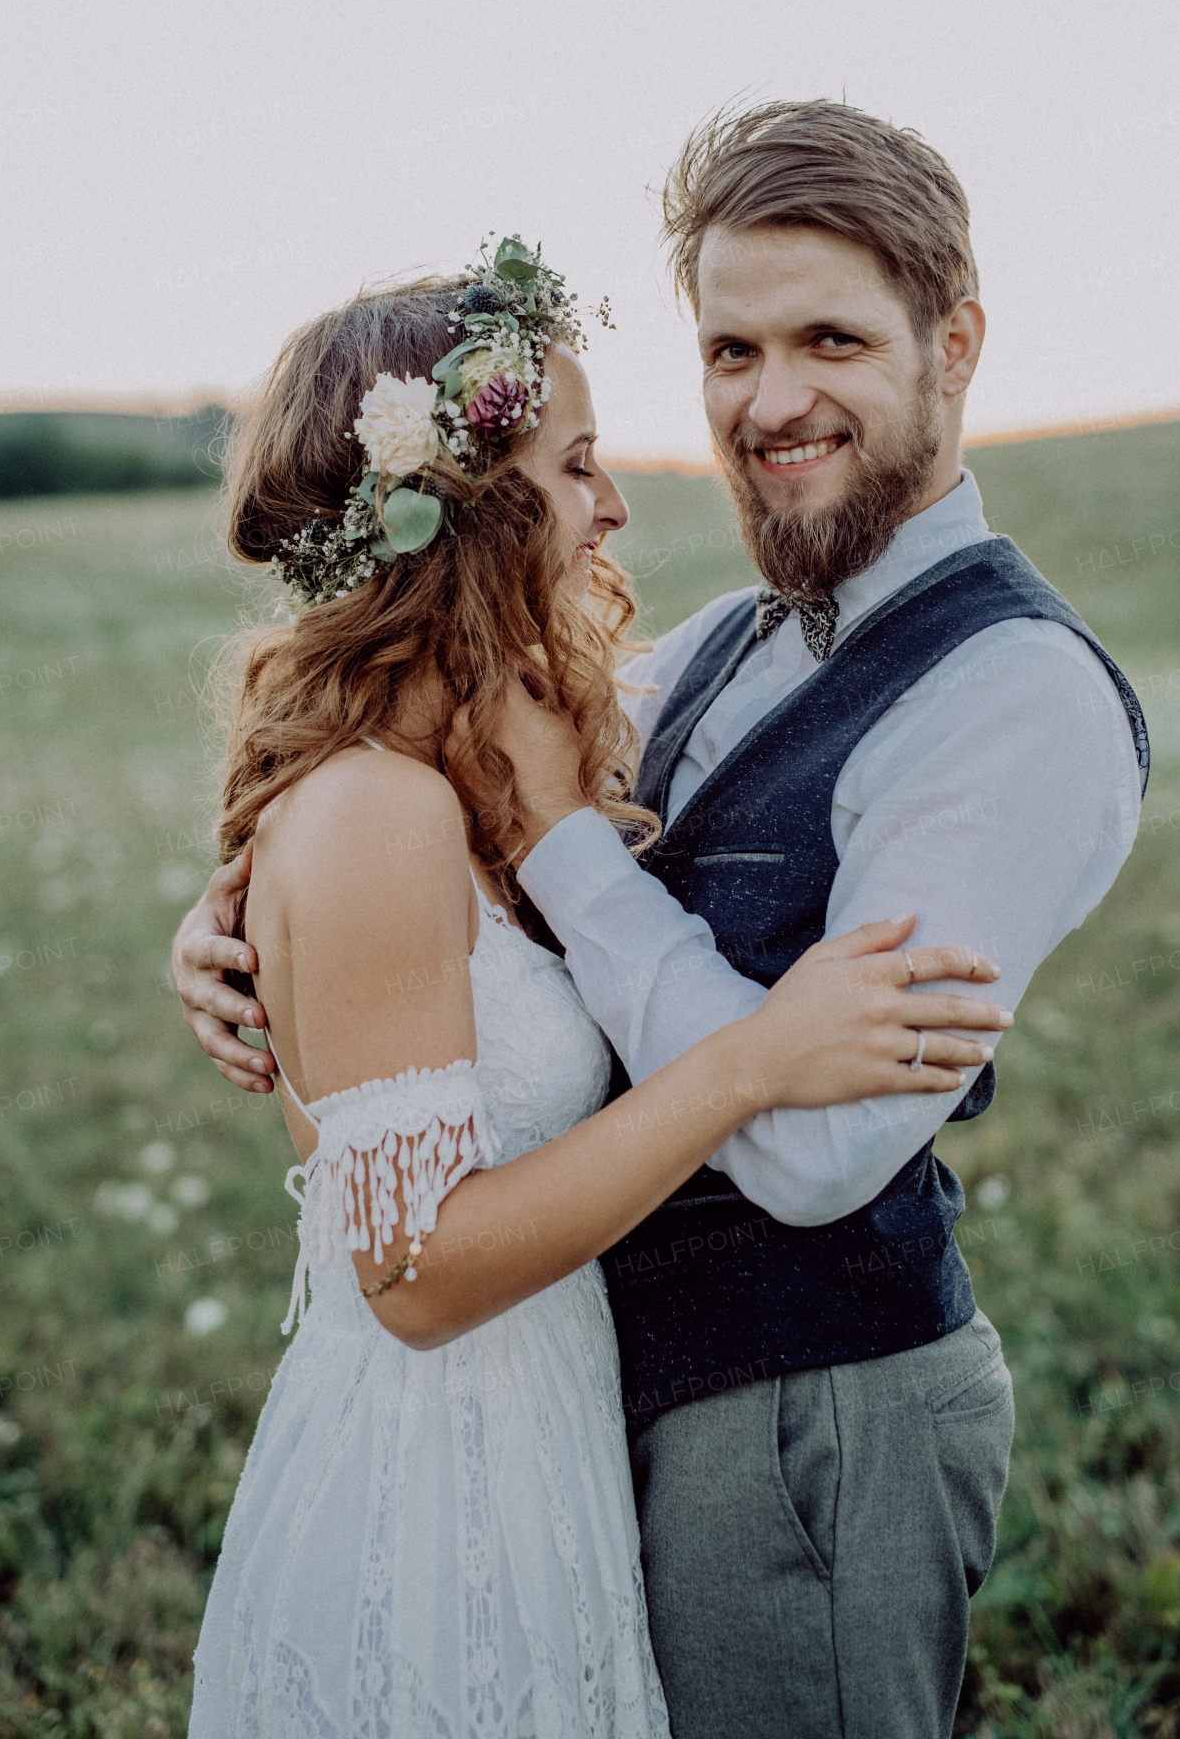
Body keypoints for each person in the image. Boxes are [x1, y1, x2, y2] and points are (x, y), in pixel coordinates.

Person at [178, 234, 1012, 1739]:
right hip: (433, 1492)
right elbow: (414, 1275)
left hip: (541, 1433)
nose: (617, 503)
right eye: (574, 466)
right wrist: (752, 1063)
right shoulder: (380, 809)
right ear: (466, 515)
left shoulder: (479, 769)